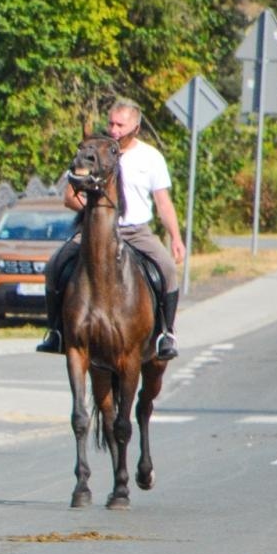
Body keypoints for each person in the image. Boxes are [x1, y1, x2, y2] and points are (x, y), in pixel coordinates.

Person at [36, 99, 185, 360]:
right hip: (97, 231)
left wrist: (175, 237)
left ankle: (165, 334)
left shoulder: (151, 157)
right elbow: (69, 196)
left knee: (168, 271)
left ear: (135, 127)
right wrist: (92, 210)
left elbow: (163, 202)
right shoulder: (94, 151)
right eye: (111, 123)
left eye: (120, 125)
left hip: (135, 231)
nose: (114, 130)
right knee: (54, 265)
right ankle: (56, 331)